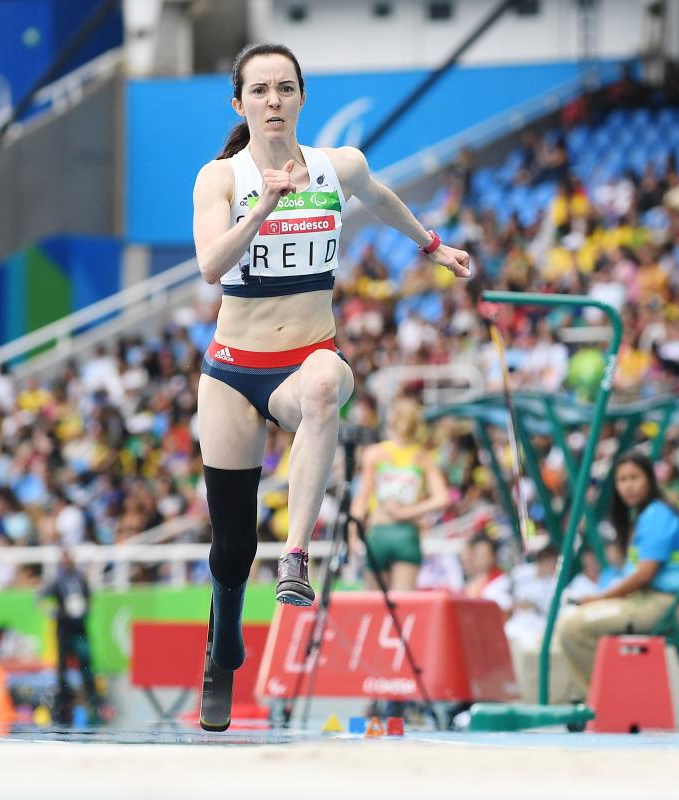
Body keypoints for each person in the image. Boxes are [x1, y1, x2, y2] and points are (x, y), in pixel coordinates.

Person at [189, 42, 470, 726]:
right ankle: (222, 651)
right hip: (231, 371)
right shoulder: (219, 178)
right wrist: (261, 209)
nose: (274, 101)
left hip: (307, 357)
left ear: (302, 98)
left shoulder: (336, 166)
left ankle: (297, 554)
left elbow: (381, 198)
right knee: (230, 546)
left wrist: (434, 247)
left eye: (285, 89)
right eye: (260, 91)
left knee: (324, 386)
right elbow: (207, 264)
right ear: (240, 104)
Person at [555, 451, 679, 699]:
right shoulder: (644, 516)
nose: (628, 485)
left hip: (662, 606)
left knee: (572, 628)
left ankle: (605, 703)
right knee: (571, 622)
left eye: (634, 477)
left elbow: (644, 576)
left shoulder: (657, 514)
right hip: (645, 603)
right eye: (622, 480)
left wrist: (599, 599)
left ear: (650, 479)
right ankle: (600, 700)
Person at [349, 397, 450, 591]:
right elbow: (442, 498)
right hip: (407, 533)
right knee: (402, 606)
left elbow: (362, 498)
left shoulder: (374, 454)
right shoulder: (421, 456)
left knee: (374, 605)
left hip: (379, 530)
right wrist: (408, 513)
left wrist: (353, 535)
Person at [39, 549, 101, 724]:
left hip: (79, 627)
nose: (67, 564)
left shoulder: (80, 579)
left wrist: (84, 609)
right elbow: (39, 598)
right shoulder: (57, 581)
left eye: (69, 560)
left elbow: (90, 598)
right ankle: (63, 701)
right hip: (64, 626)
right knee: (62, 666)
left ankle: (92, 701)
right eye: (64, 561)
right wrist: (53, 611)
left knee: (85, 663)